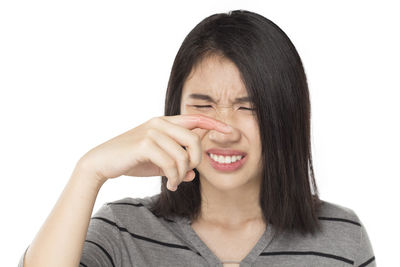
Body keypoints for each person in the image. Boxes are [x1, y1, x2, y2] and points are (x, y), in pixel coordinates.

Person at [18, 9, 376, 267]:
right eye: (203, 105)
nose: (225, 130)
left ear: (286, 116)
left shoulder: (341, 237)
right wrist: (90, 170)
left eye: (248, 108)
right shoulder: (122, 230)